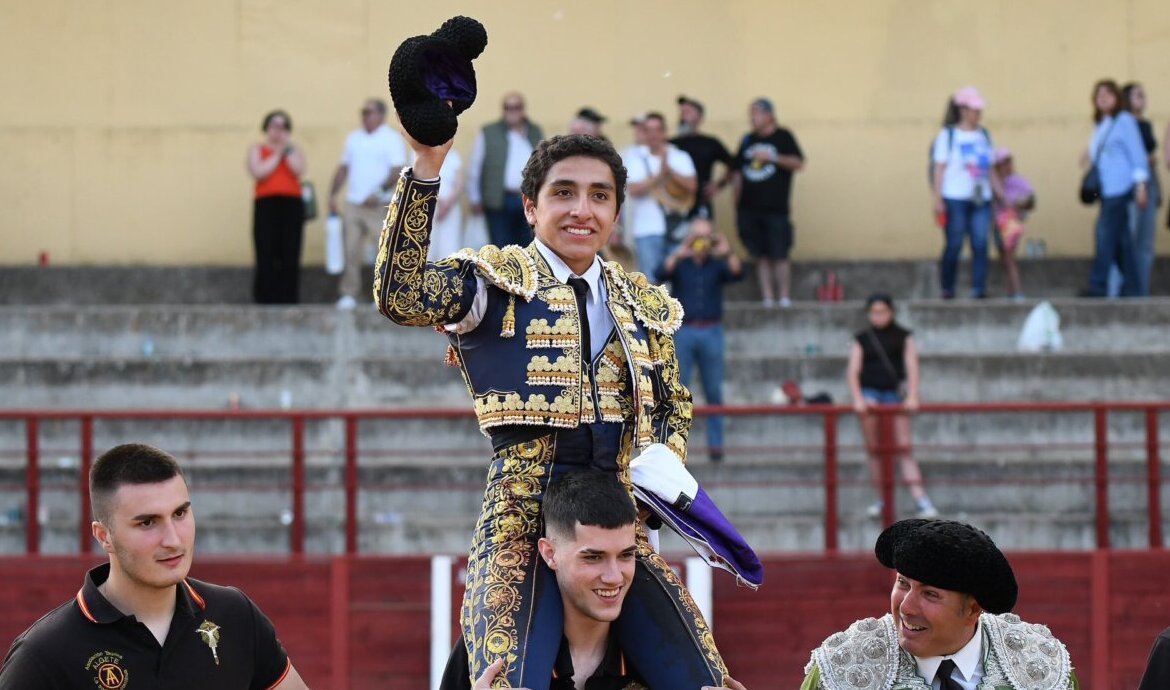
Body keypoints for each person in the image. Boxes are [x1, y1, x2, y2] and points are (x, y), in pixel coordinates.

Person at [375, 131, 746, 690]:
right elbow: (400, 294)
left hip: (618, 532)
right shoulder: (494, 283)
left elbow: (673, 404)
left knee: (706, 684)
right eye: (564, 192)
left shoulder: (641, 304)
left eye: (600, 196)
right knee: (507, 684)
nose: (582, 210)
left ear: (617, 212)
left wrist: (652, 491)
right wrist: (427, 167)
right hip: (519, 523)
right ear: (531, 206)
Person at [0, 443, 311, 689]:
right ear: (103, 536)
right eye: (147, 522)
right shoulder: (44, 655)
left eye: (179, 514)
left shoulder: (236, 616)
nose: (173, 539)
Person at [440, 470, 749, 690]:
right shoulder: (488, 655)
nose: (614, 577)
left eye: (626, 555)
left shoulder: (666, 656)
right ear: (550, 554)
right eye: (593, 557)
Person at [801, 518, 1077, 690]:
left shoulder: (1042, 668)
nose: (906, 607)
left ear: (972, 610)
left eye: (930, 594)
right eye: (903, 583)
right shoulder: (840, 669)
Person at [658, 218, 743, 462]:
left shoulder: (717, 265)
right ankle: (675, 448)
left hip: (712, 331)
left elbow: (738, 273)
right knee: (678, 392)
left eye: (705, 236)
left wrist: (727, 251)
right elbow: (659, 272)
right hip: (684, 332)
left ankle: (716, 448)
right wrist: (680, 250)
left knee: (714, 391)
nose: (700, 241)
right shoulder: (681, 263)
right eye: (697, 236)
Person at [846, 294, 938, 519]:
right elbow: (853, 371)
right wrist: (857, 397)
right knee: (874, 450)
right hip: (870, 394)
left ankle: (920, 499)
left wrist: (913, 395)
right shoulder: (863, 338)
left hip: (893, 394)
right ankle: (882, 498)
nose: (878, 316)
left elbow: (912, 366)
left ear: (891, 312)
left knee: (904, 447)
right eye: (874, 312)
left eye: (882, 312)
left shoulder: (903, 336)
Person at [328, 98, 408, 309]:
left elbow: (397, 170)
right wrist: (333, 193)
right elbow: (344, 167)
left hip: (378, 205)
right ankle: (349, 293)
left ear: (381, 115)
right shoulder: (354, 138)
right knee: (351, 249)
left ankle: (381, 295)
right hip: (354, 203)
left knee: (381, 251)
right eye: (363, 112)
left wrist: (379, 191)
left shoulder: (391, 139)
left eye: (369, 112)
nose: (365, 116)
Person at [1079, 79, 1149, 298]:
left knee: (1104, 234)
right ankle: (1133, 288)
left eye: (1108, 93)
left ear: (1117, 97)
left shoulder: (1125, 121)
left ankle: (1098, 285)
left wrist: (1140, 186)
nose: (1102, 97)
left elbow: (1138, 155)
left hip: (1120, 188)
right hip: (1106, 190)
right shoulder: (1102, 124)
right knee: (1122, 242)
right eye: (1098, 94)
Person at [931, 86, 1003, 300]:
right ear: (962, 110)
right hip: (955, 197)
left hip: (981, 197)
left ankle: (979, 288)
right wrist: (937, 198)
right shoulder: (948, 135)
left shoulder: (984, 135)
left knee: (981, 243)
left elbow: (990, 169)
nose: (977, 114)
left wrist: (1002, 196)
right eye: (973, 109)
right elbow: (939, 167)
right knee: (954, 242)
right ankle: (947, 287)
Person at [731, 97, 804, 307]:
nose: (752, 118)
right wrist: (736, 200)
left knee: (780, 253)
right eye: (751, 113)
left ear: (769, 115)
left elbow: (798, 163)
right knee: (760, 255)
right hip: (749, 208)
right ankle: (768, 298)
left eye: (756, 113)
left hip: (776, 208)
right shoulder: (747, 139)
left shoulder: (783, 136)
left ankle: (784, 296)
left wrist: (772, 158)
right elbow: (736, 170)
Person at [622, 111, 698, 279]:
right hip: (646, 229)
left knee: (680, 279)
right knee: (651, 282)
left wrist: (669, 172)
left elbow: (692, 187)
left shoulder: (679, 156)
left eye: (657, 130)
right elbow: (634, 190)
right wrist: (659, 176)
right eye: (649, 130)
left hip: (676, 226)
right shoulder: (635, 158)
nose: (653, 135)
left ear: (665, 132)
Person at [467, 92, 544, 248]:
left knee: (529, 247)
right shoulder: (488, 132)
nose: (513, 111)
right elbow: (475, 167)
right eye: (508, 107)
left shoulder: (535, 132)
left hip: (528, 200)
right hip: (499, 201)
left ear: (523, 110)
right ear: (503, 110)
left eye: (517, 107)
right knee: (501, 248)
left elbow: (544, 165)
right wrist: (475, 198)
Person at [247, 109, 306, 304]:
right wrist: (277, 153)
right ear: (266, 128)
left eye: (283, 127)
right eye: (274, 126)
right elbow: (259, 171)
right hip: (266, 204)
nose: (278, 131)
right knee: (265, 249)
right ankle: (264, 297)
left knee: (290, 250)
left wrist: (285, 150)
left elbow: (299, 170)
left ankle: (288, 297)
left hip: (291, 205)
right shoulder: (257, 149)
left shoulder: (294, 150)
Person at [1117, 82, 1160, 297]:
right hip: (1132, 187)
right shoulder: (1121, 125)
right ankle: (1121, 291)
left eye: (1143, 95)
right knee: (1129, 239)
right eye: (1136, 95)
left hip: (1149, 183)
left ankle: (1140, 292)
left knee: (1145, 243)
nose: (1142, 99)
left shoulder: (1145, 124)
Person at [672, 95, 735, 220]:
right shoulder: (670, 144)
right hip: (673, 205)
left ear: (700, 118)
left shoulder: (710, 143)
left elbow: (734, 164)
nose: (683, 116)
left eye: (688, 112)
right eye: (682, 112)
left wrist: (719, 185)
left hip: (700, 205)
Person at [992, 148, 1035, 300]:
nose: (1005, 166)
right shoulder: (994, 182)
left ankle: (1017, 291)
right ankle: (1010, 291)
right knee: (1004, 259)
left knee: (1010, 259)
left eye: (1007, 162)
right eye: (1001, 163)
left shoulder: (1017, 181)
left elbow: (1031, 200)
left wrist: (1018, 204)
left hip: (1011, 225)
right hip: (998, 225)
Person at [419, 146, 466, 261]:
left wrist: (447, 204)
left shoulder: (453, 155)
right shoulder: (420, 154)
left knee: (450, 248)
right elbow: (419, 181)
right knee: (427, 249)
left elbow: (459, 183)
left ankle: (448, 278)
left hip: (450, 207)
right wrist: (438, 201)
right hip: (428, 206)